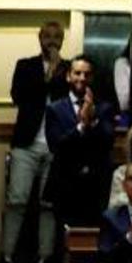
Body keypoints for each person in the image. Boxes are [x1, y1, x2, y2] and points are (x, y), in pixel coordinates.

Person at [1, 20, 66, 263]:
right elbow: (18, 96)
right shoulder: (25, 65)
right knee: (16, 199)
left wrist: (57, 71)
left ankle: (45, 258)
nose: (51, 40)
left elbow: (69, 99)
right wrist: (46, 77)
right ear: (39, 38)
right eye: (47, 36)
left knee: (48, 204)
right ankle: (6, 256)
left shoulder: (69, 68)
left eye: (56, 36)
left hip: (56, 146)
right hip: (26, 144)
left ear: (62, 40)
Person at [45, 54, 114, 226]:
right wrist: (82, 126)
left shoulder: (104, 108)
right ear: (69, 76)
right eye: (77, 73)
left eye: (87, 74)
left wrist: (93, 120)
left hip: (95, 187)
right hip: (66, 186)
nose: (82, 78)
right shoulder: (55, 109)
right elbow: (57, 146)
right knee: (63, 244)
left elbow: (108, 140)